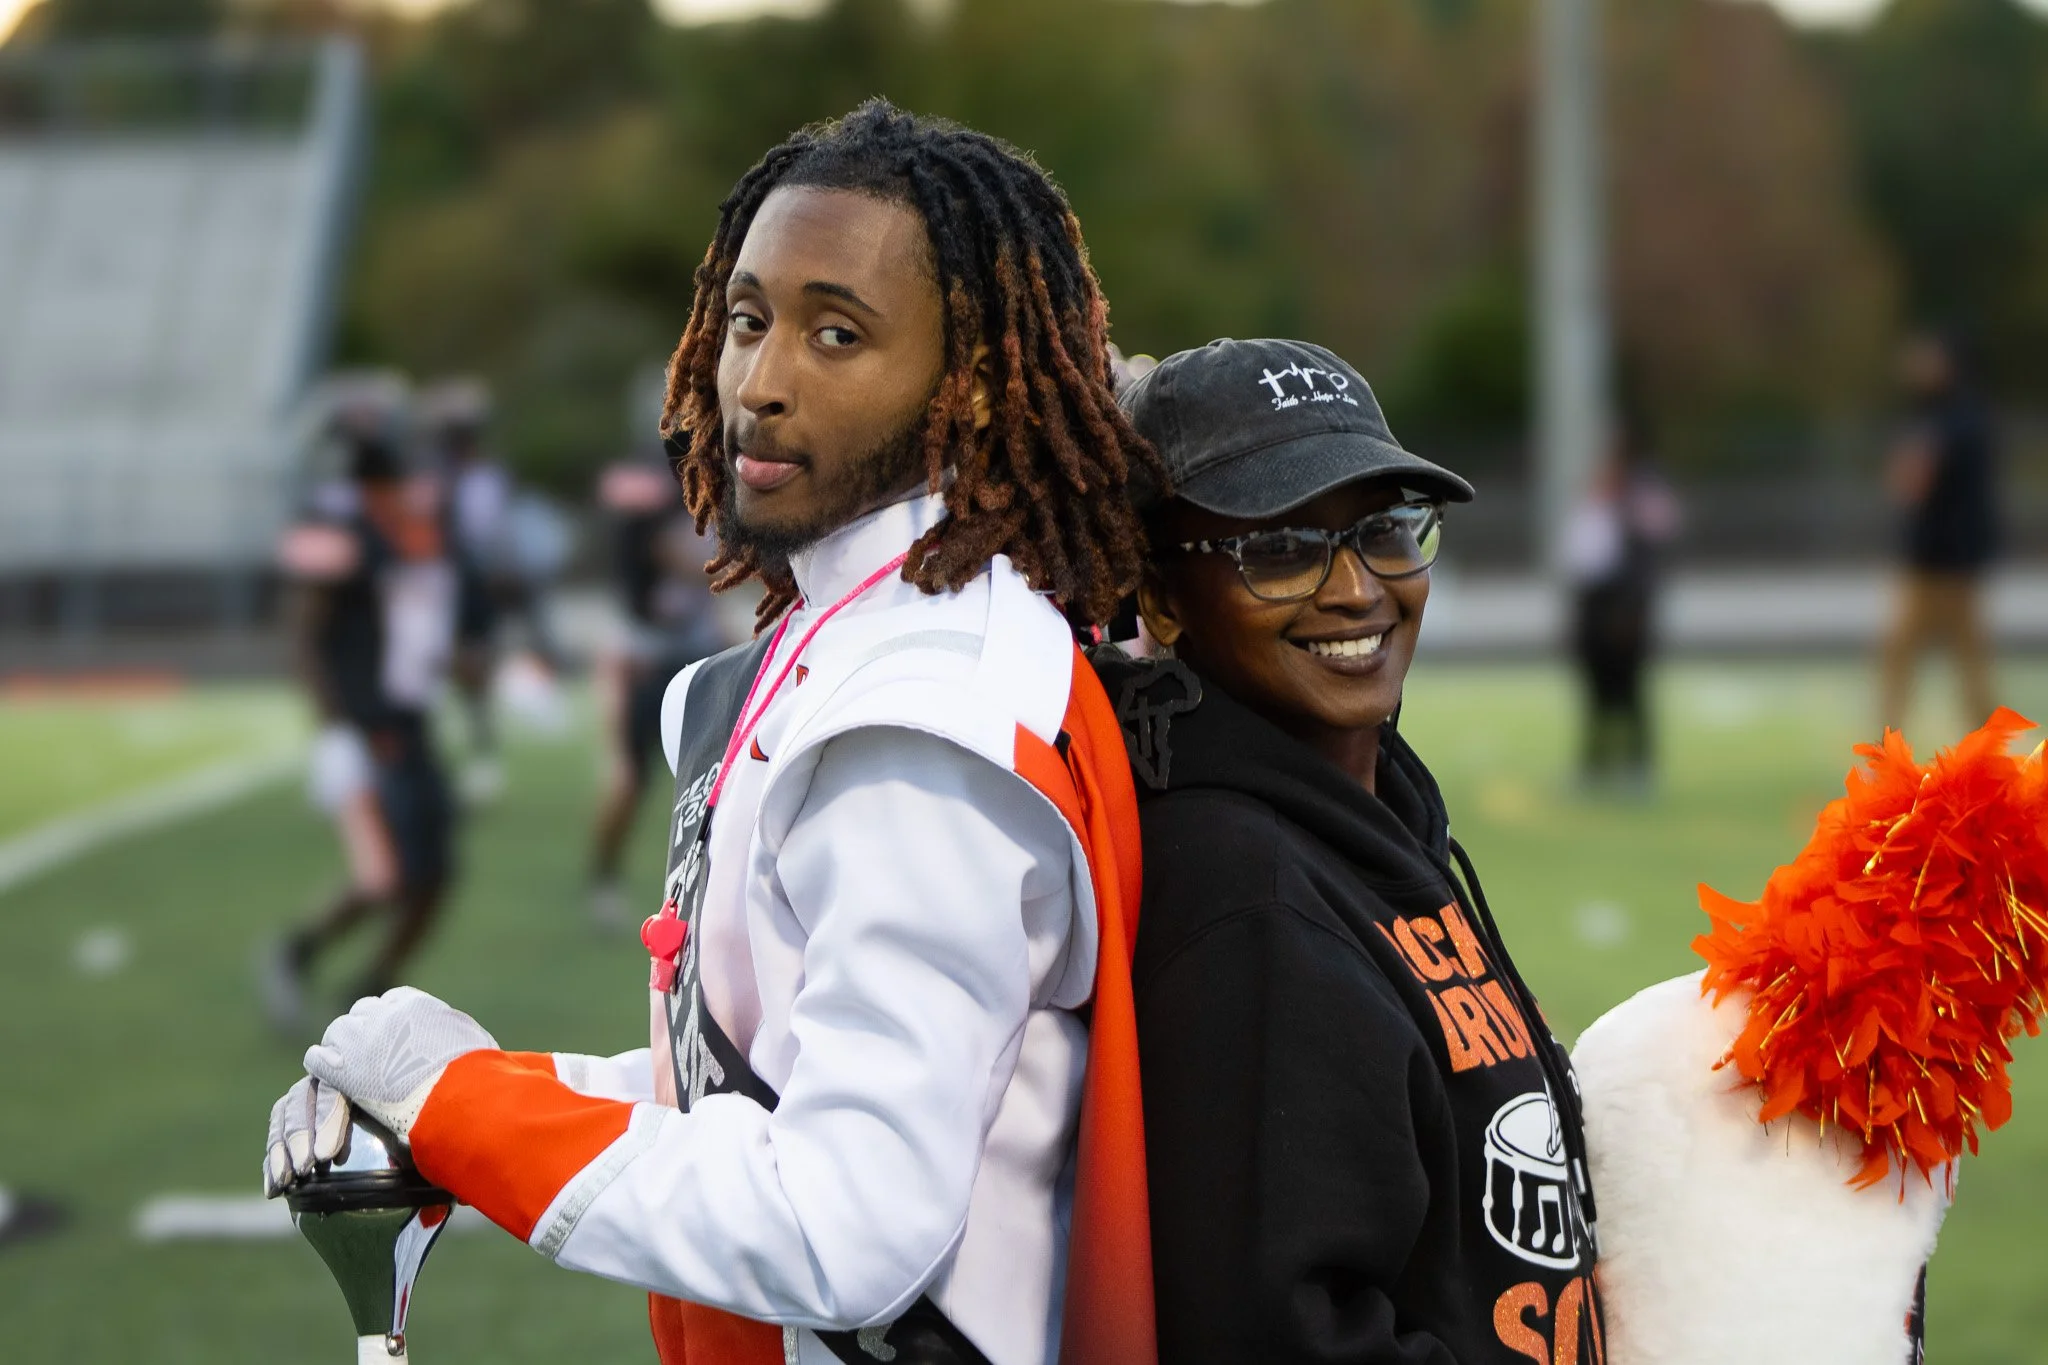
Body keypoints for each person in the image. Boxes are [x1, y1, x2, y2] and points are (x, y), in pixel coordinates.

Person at [263, 100, 1160, 1365]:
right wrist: (469, 1099)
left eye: (836, 333)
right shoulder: (861, 631)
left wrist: (461, 1108)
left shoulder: (915, 712)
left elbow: (848, 1223)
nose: (759, 380)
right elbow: (754, 1080)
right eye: (747, 319)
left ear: (964, 376)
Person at [1100, 338, 1605, 1364]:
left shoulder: (1372, 819)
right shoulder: (1246, 898)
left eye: (1381, 531)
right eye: (1279, 549)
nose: (1357, 590)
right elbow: (1280, 1334)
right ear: (1156, 599)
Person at [261, 432, 458, 1030]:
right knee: (381, 878)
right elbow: (306, 633)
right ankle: (295, 952)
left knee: (433, 880)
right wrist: (338, 724)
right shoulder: (343, 534)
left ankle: (367, 993)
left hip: (406, 727)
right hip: (357, 731)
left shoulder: (407, 537)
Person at [585, 448, 732, 926]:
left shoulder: (717, 501)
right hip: (642, 660)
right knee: (629, 780)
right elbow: (697, 568)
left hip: (693, 653)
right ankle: (602, 878)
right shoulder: (655, 507)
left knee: (718, 779)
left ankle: (713, 889)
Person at [1878, 329, 1999, 731]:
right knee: (1965, 666)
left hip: (1942, 562)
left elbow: (1911, 479)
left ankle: (1888, 753)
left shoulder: (1952, 420)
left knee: (1912, 659)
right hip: (1946, 558)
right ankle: (1988, 757)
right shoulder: (1958, 415)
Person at [1563, 401, 1679, 793]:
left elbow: (1653, 549)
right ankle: (1597, 765)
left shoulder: (1642, 492)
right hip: (1597, 606)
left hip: (1626, 607)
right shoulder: (1602, 492)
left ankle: (1636, 767)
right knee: (1597, 693)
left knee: (1630, 692)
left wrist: (1634, 607)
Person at [420, 379, 513, 801]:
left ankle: (481, 757)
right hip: (434, 583)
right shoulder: (432, 478)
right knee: (429, 671)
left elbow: (489, 537)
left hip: (469, 583)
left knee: (473, 672)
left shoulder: (483, 478)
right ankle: (434, 761)